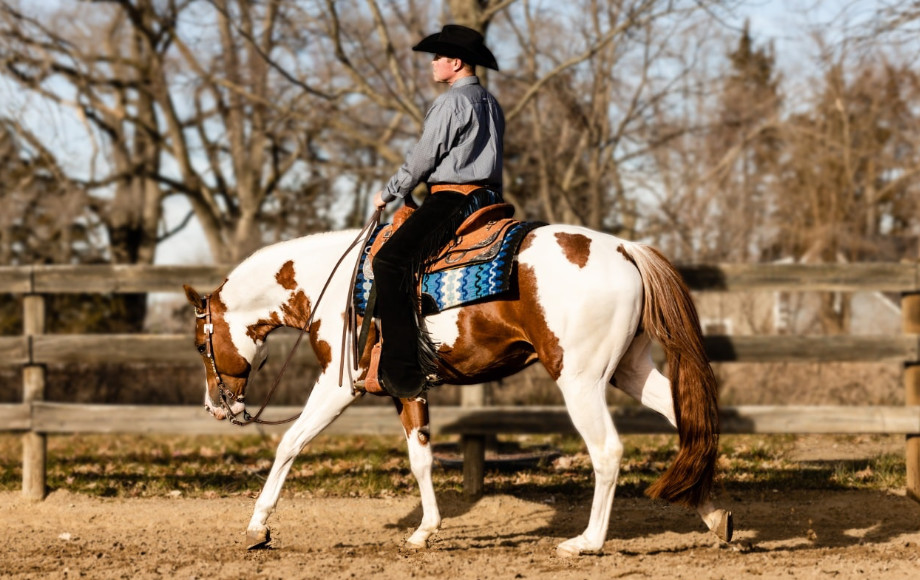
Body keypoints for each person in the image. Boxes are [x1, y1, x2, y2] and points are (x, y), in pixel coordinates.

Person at [368, 24, 505, 399]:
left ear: (456, 62)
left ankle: (403, 370)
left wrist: (390, 192)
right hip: (489, 199)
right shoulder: (490, 102)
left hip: (453, 199)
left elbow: (423, 158)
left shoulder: (451, 103)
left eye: (438, 57)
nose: (432, 63)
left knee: (388, 262)